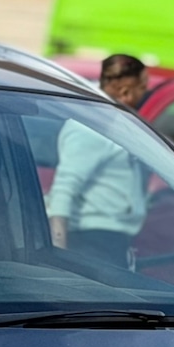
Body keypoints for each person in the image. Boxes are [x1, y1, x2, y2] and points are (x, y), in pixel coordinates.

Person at [46, 54, 150, 265]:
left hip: (110, 242)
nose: (145, 93)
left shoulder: (112, 120)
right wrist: (59, 257)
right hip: (93, 244)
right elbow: (64, 189)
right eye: (143, 87)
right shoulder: (92, 127)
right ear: (126, 92)